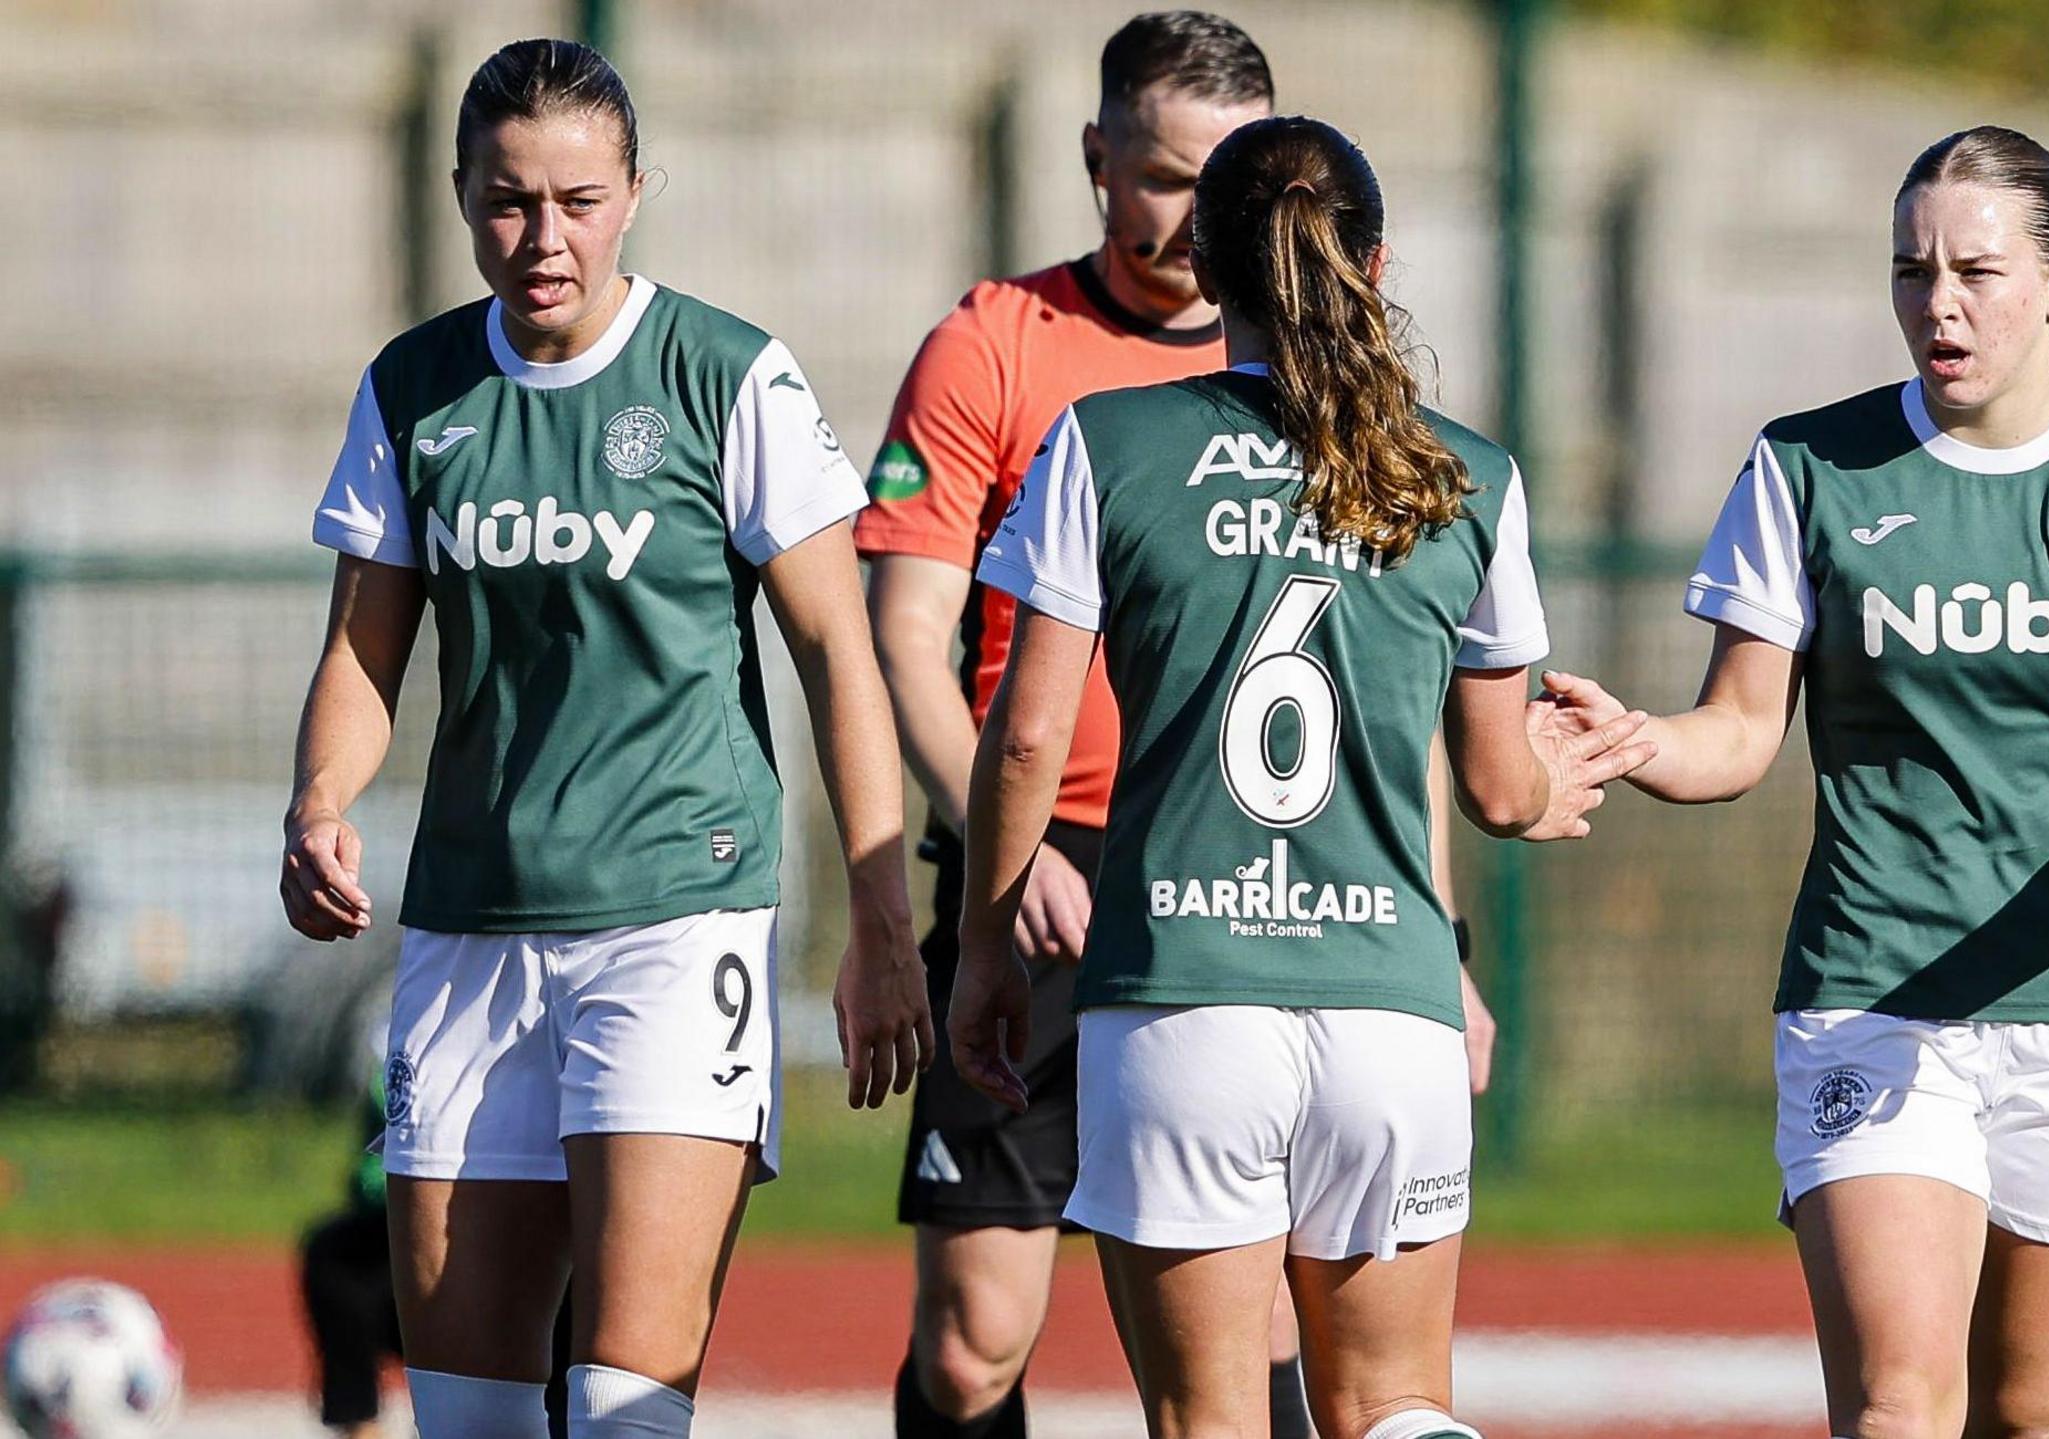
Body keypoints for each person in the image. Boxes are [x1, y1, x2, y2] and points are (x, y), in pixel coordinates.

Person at [1545, 125, 2049, 1439]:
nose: (1938, 303)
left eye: (1978, 270)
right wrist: (1640, 741)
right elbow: (1737, 728)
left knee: (2032, 1409)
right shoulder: (1807, 467)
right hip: (1872, 993)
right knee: (1901, 1398)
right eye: (1911, 269)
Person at [946, 114, 1654, 1439]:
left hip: (1184, 1004)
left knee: (1209, 1417)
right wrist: (1560, 777)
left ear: (1203, 268)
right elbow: (1502, 790)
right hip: (1392, 1005)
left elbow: (1029, 735)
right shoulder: (1466, 476)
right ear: (1374, 265)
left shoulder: (1105, 442)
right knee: (1393, 1405)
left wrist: (987, 945)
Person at [280, 38, 931, 1439]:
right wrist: (319, 796)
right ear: (460, 195)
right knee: (471, 1415)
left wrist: (883, 919)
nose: (544, 236)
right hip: (469, 927)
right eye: (510, 201)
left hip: (674, 921)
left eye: (579, 200)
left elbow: (839, 649)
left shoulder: (726, 375)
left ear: (636, 191)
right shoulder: (414, 388)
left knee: (627, 1401)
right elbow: (362, 649)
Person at [857, 15, 1496, 1437]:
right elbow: (906, 639)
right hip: (1033, 862)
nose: (1185, 216)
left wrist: (1439, 946)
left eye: (1219, 186)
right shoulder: (997, 344)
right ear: (1098, 160)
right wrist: (1005, 863)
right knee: (974, 1341)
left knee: (1262, 1317)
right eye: (1160, 177)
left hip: (1268, 884)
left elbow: (1400, 713)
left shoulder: (1356, 416)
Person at [297, 1068, 576, 1439]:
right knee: (335, 1255)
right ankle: (361, 1419)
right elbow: (369, 1179)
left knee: (569, 1260)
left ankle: (562, 1416)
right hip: (415, 1263)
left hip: (529, 1253)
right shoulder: (409, 1060)